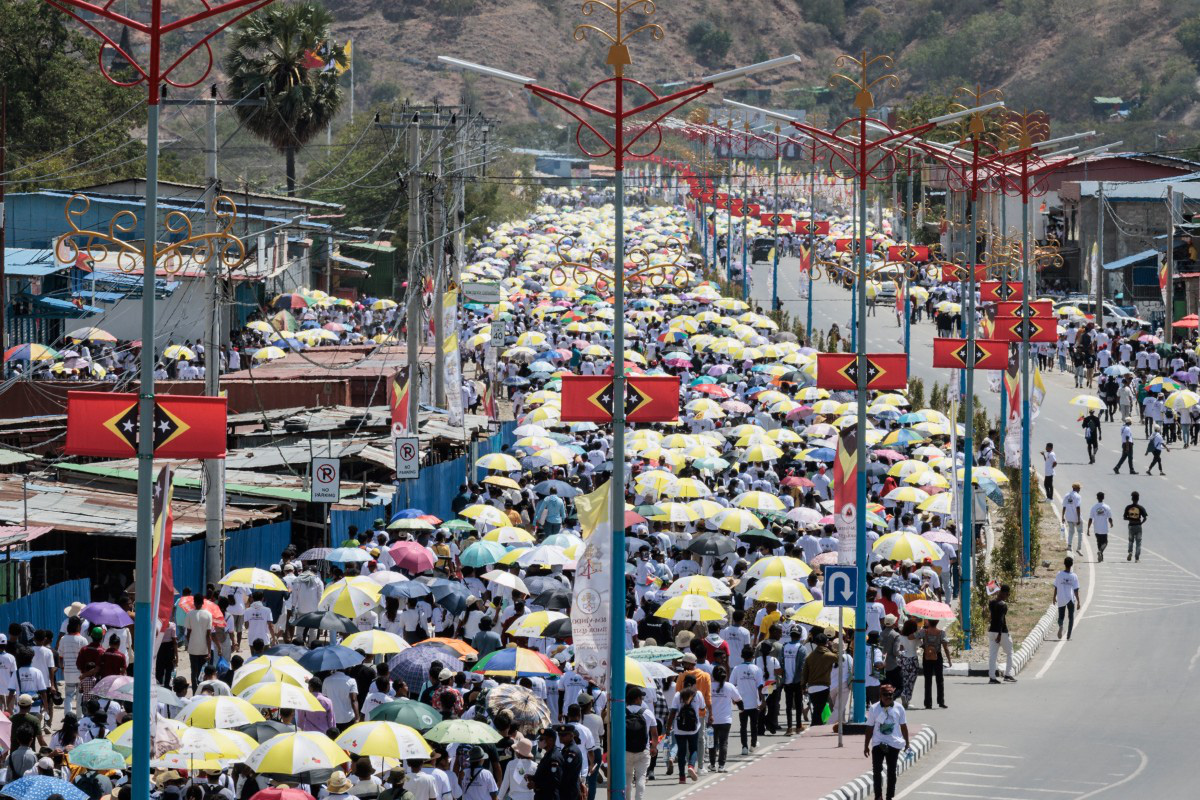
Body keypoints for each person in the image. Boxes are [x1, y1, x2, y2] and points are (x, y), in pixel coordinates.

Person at [864, 684, 909, 800]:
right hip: (878, 743)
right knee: (877, 770)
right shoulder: (874, 708)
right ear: (880, 696)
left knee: (891, 771)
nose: (888, 697)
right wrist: (866, 745)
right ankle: (878, 796)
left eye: (891, 694)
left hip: (893, 744)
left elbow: (903, 726)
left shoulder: (899, 708)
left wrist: (907, 743)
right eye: (885, 695)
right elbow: (869, 728)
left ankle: (890, 796)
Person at [665, 681, 705, 784]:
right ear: (693, 684)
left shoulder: (678, 695)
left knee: (681, 753)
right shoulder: (698, 694)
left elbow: (673, 712)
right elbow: (702, 707)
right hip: (693, 729)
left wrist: (668, 727)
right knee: (693, 749)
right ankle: (691, 766)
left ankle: (682, 777)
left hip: (679, 729)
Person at [623, 686, 657, 799]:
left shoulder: (622, 712)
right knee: (641, 777)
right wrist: (653, 747)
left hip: (625, 750)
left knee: (627, 777)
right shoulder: (647, 713)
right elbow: (654, 733)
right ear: (637, 699)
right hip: (643, 751)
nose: (642, 700)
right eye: (641, 697)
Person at [915, 620, 951, 709]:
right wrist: (949, 660)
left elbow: (913, 637)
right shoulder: (941, 633)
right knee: (939, 679)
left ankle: (928, 703)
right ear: (937, 622)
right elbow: (946, 648)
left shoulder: (924, 632)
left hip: (927, 656)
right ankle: (941, 701)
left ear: (929, 622)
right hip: (937, 656)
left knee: (928, 680)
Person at [987, 584, 1016, 684]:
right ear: (1004, 593)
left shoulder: (991, 602)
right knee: (1010, 652)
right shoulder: (1003, 605)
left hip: (991, 631)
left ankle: (992, 677)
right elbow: (1001, 620)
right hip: (1001, 632)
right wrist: (999, 634)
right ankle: (1007, 674)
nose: (1007, 596)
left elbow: (992, 616)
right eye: (1007, 594)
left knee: (993, 655)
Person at [532, 729, 565, 800]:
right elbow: (545, 774)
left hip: (549, 796)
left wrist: (536, 785)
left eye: (542, 739)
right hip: (543, 795)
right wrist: (533, 778)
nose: (540, 741)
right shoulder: (548, 754)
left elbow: (554, 781)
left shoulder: (554, 758)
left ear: (550, 740)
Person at [1053, 557, 1081, 640]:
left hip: (1061, 598)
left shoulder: (1059, 574)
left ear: (1064, 564)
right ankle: (1068, 635)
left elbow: (1056, 587)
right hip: (1070, 599)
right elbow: (1076, 590)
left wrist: (1054, 597)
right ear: (1071, 565)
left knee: (1061, 616)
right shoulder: (1074, 576)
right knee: (1071, 617)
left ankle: (1061, 625)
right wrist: (1079, 601)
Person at [1087, 491, 1114, 562]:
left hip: (1096, 528)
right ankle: (1100, 551)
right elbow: (1109, 518)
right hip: (1104, 529)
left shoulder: (1093, 507)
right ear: (1103, 498)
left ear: (1097, 498)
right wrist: (1111, 524)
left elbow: (1090, 519)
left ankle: (1100, 555)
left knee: (1099, 542)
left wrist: (1088, 528)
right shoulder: (1107, 507)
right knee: (1105, 542)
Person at [1123, 491, 1148, 563]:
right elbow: (1145, 518)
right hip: (1138, 526)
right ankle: (1137, 558)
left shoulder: (1128, 507)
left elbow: (1124, 517)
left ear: (1132, 499)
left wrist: (1130, 519)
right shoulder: (1141, 508)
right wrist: (1141, 523)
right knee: (1138, 542)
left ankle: (1130, 552)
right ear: (1138, 499)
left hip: (1131, 526)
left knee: (1131, 540)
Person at [1062, 483, 1083, 554]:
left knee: (1071, 532)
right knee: (1080, 532)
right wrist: (1078, 518)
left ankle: (1069, 546)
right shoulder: (1078, 496)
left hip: (1069, 517)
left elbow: (1064, 506)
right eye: (1079, 488)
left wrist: (1062, 517)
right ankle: (1079, 548)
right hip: (1076, 517)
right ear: (1077, 488)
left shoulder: (1066, 495)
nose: (1080, 490)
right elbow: (1078, 507)